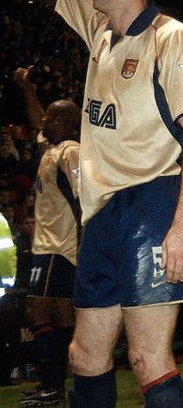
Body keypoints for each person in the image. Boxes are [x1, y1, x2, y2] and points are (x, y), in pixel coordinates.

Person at [3, 0, 183, 405]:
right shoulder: (99, 29)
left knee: (147, 357)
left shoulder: (172, 38)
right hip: (99, 214)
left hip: (153, 203)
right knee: (84, 357)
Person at [14, 66, 81, 406]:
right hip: (47, 247)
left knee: (43, 313)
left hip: (61, 248)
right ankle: (57, 384)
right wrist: (27, 88)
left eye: (55, 119)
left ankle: (58, 384)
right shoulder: (53, 149)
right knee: (51, 314)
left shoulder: (70, 152)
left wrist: (85, 244)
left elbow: (84, 200)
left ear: (70, 125)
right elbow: (36, 117)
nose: (46, 122)